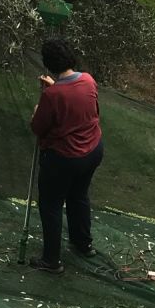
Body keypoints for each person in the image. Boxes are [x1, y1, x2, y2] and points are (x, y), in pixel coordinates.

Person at [27, 37, 103, 273]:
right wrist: (54, 87)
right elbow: (77, 103)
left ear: (49, 64)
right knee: (79, 195)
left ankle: (51, 260)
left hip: (64, 158)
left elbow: (38, 128)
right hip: (92, 151)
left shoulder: (52, 96)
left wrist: (39, 107)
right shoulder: (89, 81)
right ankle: (83, 244)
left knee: (51, 205)